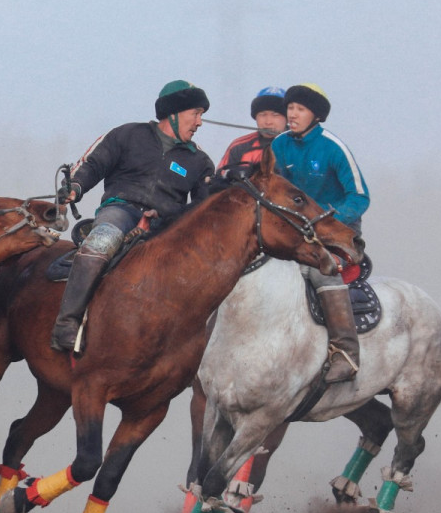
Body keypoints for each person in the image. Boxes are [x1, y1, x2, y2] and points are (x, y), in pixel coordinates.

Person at [51, 80, 216, 351]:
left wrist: (172, 215)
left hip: (167, 227)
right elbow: (93, 164)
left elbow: (202, 212)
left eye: (201, 115)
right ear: (173, 112)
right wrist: (75, 187)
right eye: (196, 113)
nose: (200, 122)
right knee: (99, 243)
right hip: (120, 211)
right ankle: (66, 324)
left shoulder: (200, 162)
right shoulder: (128, 135)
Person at [270, 83, 369, 383]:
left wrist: (325, 219)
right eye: (290, 108)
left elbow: (360, 197)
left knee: (322, 271)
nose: (292, 114)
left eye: (300, 109)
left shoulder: (333, 147)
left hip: (335, 233)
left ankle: (345, 352)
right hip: (295, 230)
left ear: (316, 115)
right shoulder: (279, 145)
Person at [217, 86, 287, 168]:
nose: (268, 122)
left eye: (275, 115)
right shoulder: (239, 147)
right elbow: (221, 174)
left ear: (288, 118)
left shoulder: (299, 145)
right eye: (262, 115)